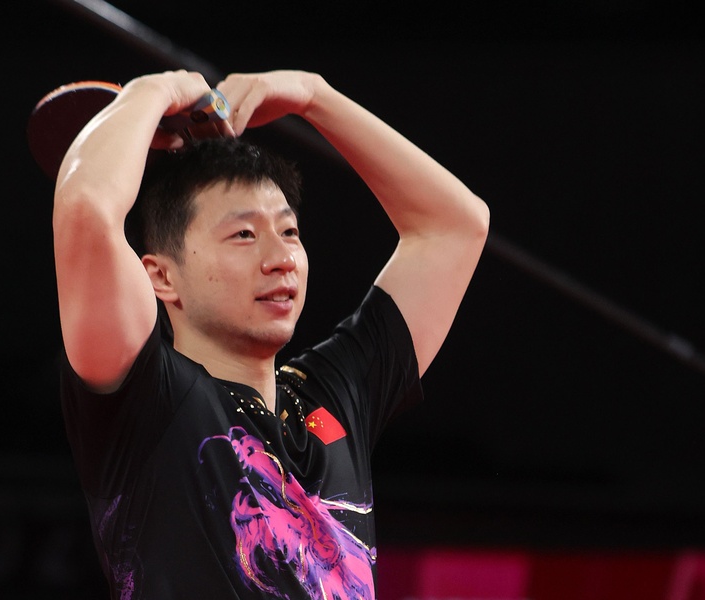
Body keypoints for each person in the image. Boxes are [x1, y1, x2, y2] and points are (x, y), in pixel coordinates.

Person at [52, 69, 489, 599]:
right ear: (161, 277)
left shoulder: (334, 395)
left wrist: (314, 96)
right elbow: (86, 209)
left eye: (289, 231)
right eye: (243, 234)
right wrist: (156, 91)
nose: (280, 259)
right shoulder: (145, 400)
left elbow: (455, 226)